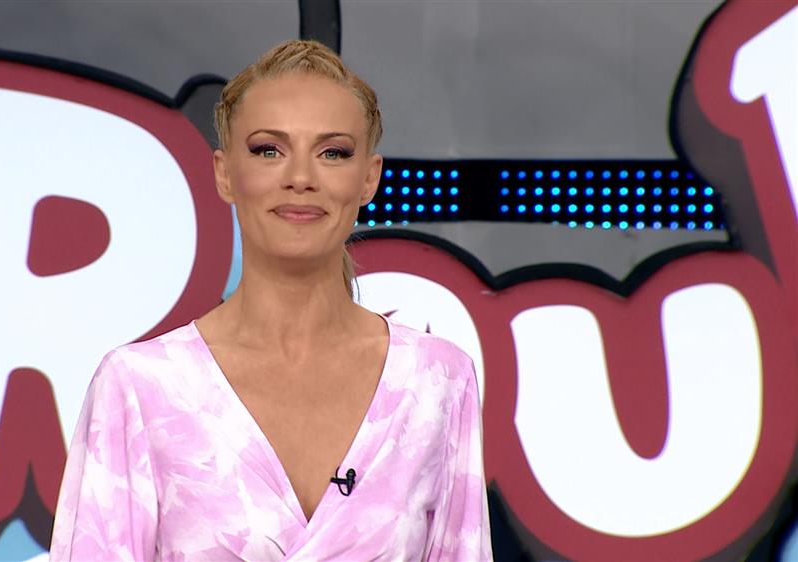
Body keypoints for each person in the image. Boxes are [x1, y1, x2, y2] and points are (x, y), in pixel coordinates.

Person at [49, 39, 492, 561]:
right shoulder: (138, 388)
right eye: (268, 150)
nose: (300, 178)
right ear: (224, 173)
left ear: (368, 177)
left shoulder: (438, 382)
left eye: (333, 153)